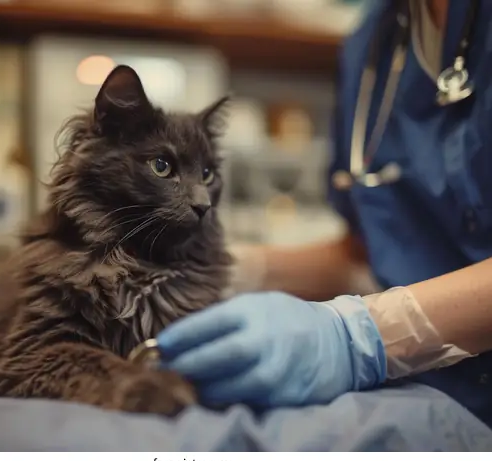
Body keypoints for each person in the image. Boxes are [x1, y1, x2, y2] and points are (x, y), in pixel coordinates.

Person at [156, 0, 492, 427]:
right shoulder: (374, 41)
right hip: (426, 390)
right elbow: (372, 254)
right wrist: (232, 269)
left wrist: (355, 337)